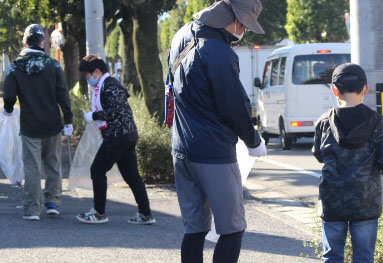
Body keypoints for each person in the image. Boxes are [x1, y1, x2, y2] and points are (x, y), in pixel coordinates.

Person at [167, 0, 267, 262]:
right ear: (233, 19)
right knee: (232, 228)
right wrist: (253, 140)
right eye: (244, 25)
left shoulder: (182, 34)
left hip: (181, 148)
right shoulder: (220, 54)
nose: (243, 31)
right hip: (213, 154)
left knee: (195, 228)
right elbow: (234, 105)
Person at [312, 63, 383, 263]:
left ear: (335, 90)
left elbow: (318, 155)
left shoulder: (324, 122)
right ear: (365, 89)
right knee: (364, 258)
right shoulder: (378, 122)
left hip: (332, 201)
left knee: (332, 257)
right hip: (365, 202)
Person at [2, 24, 73, 221]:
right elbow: (63, 95)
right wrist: (68, 119)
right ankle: (53, 203)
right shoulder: (53, 66)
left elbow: (9, 95)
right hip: (52, 123)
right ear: (42, 42)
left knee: (32, 167)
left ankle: (33, 209)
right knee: (53, 164)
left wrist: (8, 109)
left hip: (30, 125)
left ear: (24, 42)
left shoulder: (16, 67)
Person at [75, 55, 155, 225]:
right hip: (125, 135)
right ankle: (146, 214)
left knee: (97, 170)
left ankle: (99, 212)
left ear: (97, 71)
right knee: (131, 175)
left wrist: (94, 115)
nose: (86, 78)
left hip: (118, 136)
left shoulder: (110, 85)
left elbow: (115, 111)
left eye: (87, 75)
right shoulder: (107, 84)